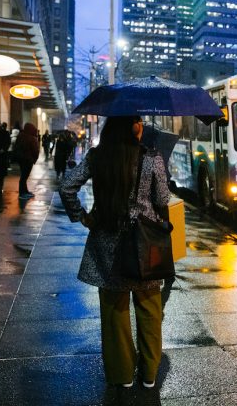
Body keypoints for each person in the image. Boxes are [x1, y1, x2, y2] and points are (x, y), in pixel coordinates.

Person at [59, 116, 170, 389]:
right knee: (149, 308)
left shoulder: (98, 156)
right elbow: (163, 199)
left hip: (107, 241)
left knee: (114, 311)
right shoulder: (150, 158)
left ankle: (121, 375)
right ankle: (149, 373)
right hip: (145, 242)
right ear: (134, 127)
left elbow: (67, 186)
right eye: (139, 121)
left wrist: (82, 216)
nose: (142, 125)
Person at [15, 122, 40, 199]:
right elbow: (35, 150)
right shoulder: (31, 138)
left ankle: (25, 191)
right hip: (28, 160)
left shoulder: (21, 136)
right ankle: (22, 193)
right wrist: (34, 159)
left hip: (22, 159)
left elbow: (17, 147)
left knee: (23, 176)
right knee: (24, 177)